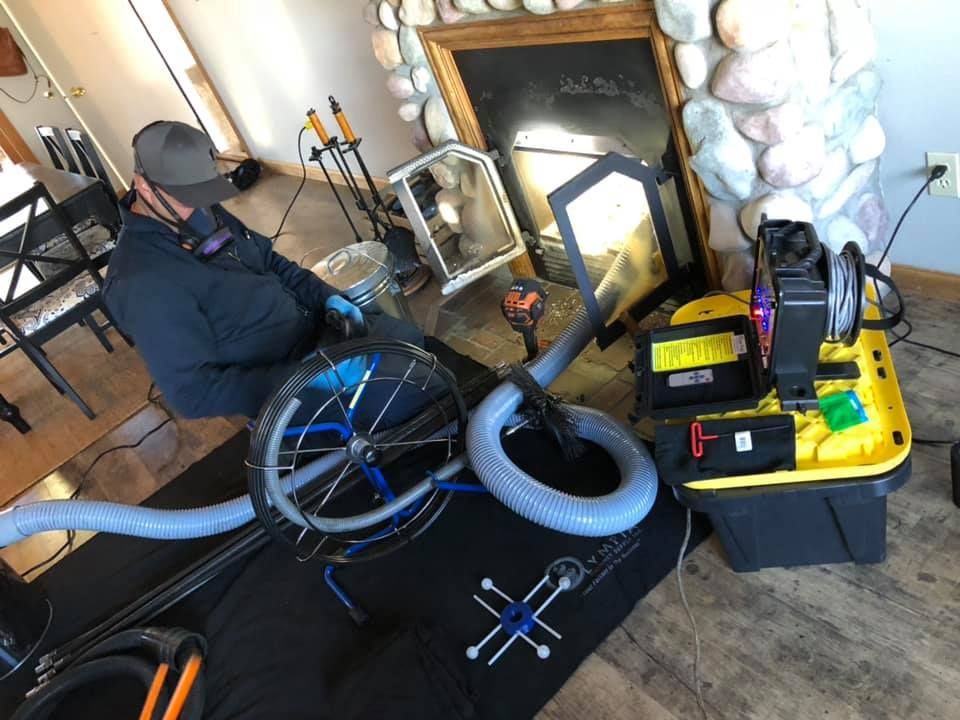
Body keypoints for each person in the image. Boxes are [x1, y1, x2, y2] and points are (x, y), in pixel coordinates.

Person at [104, 121, 422, 419]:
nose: (201, 206)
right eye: (189, 196)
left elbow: (269, 261)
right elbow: (193, 394)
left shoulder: (194, 210)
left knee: (412, 341)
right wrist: (301, 378)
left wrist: (329, 298)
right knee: (421, 390)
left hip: (319, 334)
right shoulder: (140, 282)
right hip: (287, 386)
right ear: (144, 187)